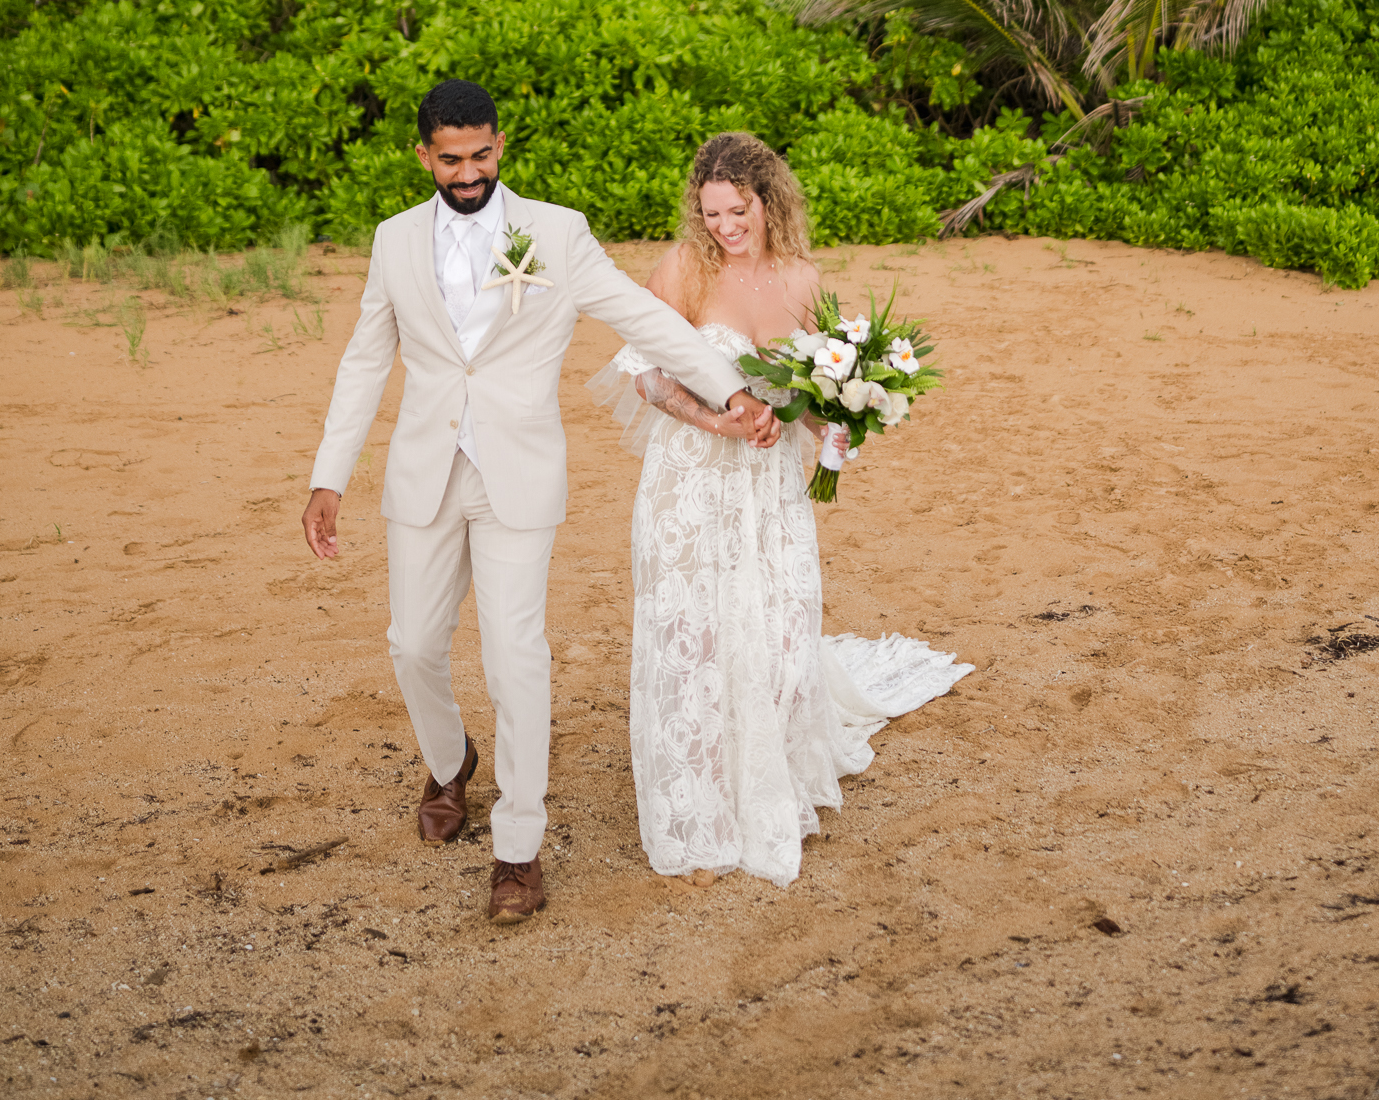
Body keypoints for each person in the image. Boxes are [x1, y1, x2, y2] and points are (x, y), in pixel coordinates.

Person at [300, 79, 779, 925]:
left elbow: (643, 318)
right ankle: (449, 762)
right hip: (424, 470)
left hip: (517, 474)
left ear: (499, 146)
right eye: (451, 158)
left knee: (516, 654)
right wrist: (328, 474)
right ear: (424, 157)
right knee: (412, 644)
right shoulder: (394, 241)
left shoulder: (556, 233)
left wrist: (731, 388)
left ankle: (518, 848)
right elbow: (364, 360)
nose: (468, 171)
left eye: (481, 154)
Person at [589, 130, 972, 887]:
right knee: (695, 633)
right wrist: (714, 421)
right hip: (693, 479)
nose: (726, 228)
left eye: (739, 212)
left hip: (769, 488)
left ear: (768, 201)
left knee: (777, 625)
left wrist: (835, 422)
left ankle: (769, 777)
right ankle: (701, 813)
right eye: (712, 214)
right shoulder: (684, 271)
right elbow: (646, 377)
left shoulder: (802, 279)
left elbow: (805, 388)